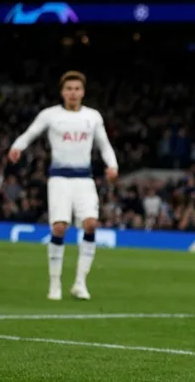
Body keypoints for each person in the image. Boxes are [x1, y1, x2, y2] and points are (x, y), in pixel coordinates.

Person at [8, 71, 118, 301]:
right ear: (62, 92)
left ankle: (80, 283)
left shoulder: (93, 116)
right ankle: (55, 284)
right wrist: (17, 147)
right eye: (69, 89)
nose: (73, 93)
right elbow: (30, 134)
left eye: (77, 88)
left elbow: (104, 144)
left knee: (90, 224)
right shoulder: (50, 115)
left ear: (83, 92)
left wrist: (112, 165)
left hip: (84, 179)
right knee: (59, 228)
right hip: (59, 178)